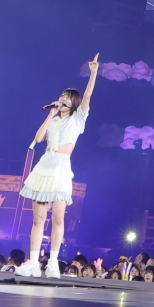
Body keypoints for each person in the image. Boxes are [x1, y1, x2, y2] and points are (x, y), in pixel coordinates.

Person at [24, 55, 99, 278]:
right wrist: (50, 115)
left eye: (67, 97)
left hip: (61, 167)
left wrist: (93, 73)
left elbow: (87, 96)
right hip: (44, 165)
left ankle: (53, 263)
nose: (62, 99)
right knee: (38, 219)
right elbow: (38, 139)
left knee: (58, 216)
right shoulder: (55, 119)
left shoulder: (78, 119)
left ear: (73, 103)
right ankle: (33, 262)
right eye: (62, 96)